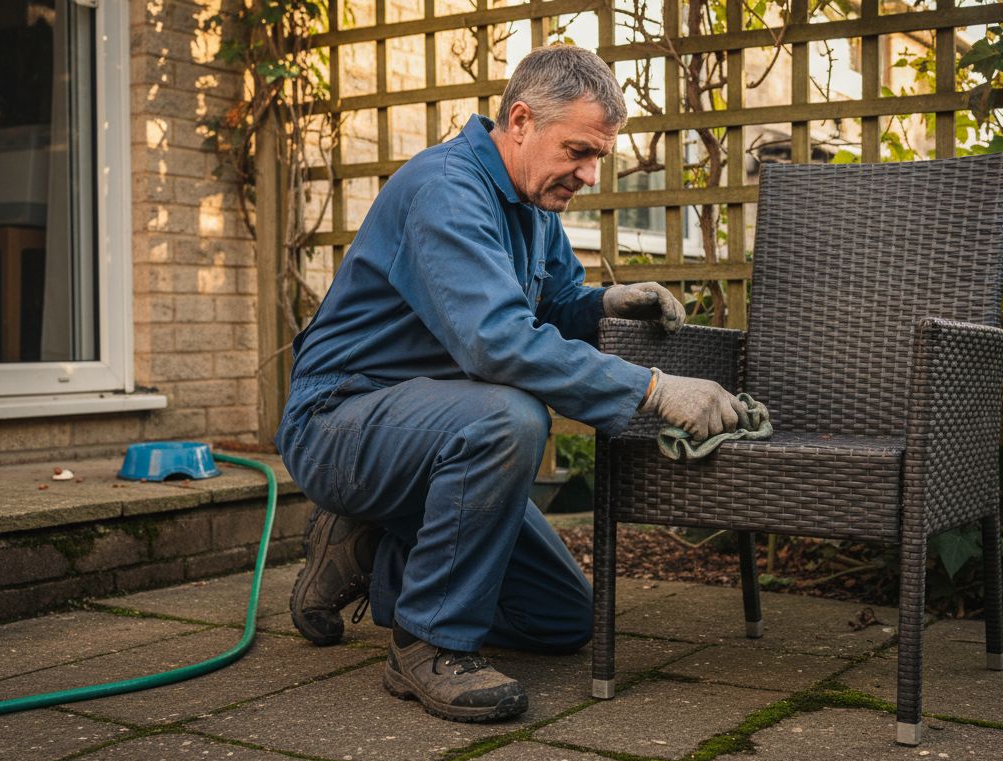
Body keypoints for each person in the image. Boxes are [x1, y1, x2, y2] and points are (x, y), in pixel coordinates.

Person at [275, 45, 747, 723]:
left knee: (561, 619)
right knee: (511, 417)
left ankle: (366, 546)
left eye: (597, 158)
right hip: (339, 421)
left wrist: (606, 305)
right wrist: (652, 390)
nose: (588, 173)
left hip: (436, 431)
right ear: (520, 120)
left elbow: (551, 307)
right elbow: (497, 341)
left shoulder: (534, 206)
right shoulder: (446, 190)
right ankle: (429, 643)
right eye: (578, 151)